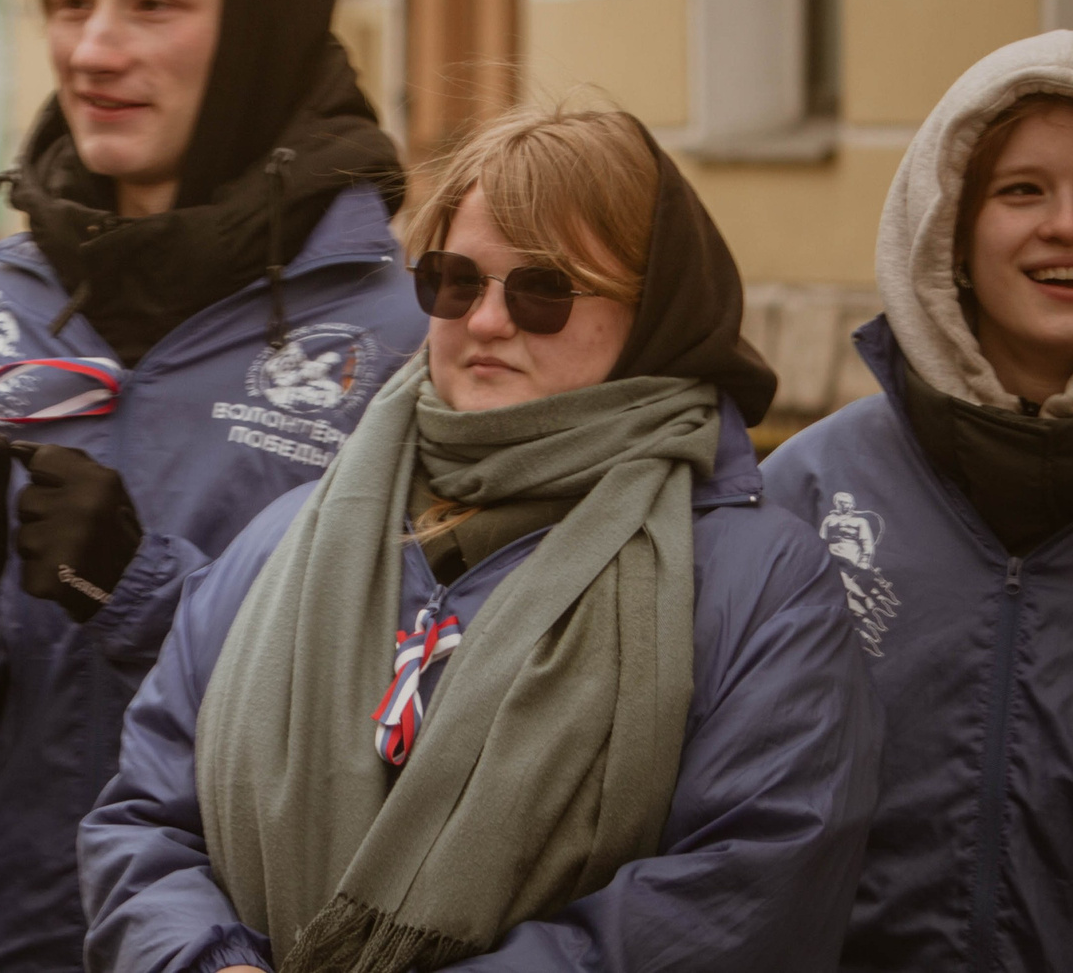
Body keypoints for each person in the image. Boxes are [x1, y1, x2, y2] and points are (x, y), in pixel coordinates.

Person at [83, 99, 883, 973]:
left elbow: (743, 898)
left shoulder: (758, 581)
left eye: (544, 288)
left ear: (655, 309)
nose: (488, 320)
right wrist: (210, 963)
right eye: (455, 280)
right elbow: (143, 820)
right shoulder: (283, 539)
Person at [0, 0, 423, 973]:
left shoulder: (411, 345)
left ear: (251, 36)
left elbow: (418, 731)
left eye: (151, 5)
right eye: (68, 0)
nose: (93, 48)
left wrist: (148, 598)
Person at [764, 30, 1073, 970]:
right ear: (949, 229)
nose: (1070, 224)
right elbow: (729, 833)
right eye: (1021, 190)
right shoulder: (809, 491)